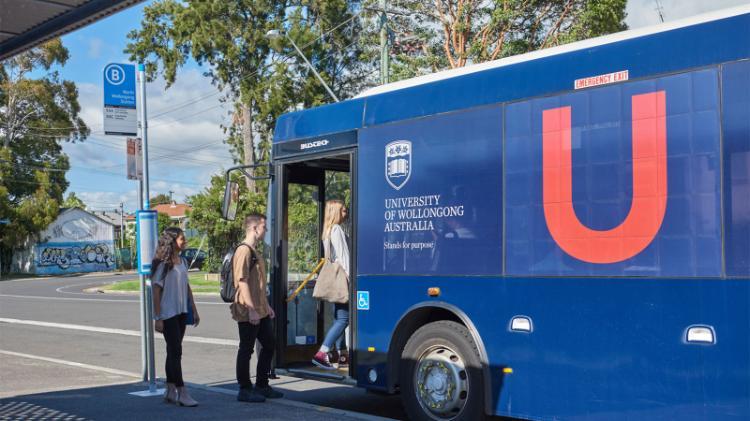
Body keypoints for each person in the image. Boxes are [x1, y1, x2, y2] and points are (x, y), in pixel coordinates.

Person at [231, 213, 284, 402]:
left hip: (260, 309)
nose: (266, 230)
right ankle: (244, 389)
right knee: (246, 349)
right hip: (248, 310)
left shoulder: (254, 251)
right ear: (254, 228)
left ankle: (262, 385)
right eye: (264, 227)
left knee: (269, 345)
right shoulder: (243, 251)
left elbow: (258, 283)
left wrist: (266, 306)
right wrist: (252, 309)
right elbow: (242, 281)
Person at [152, 227, 200, 407]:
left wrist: (194, 309)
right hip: (168, 313)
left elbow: (186, 286)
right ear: (173, 241)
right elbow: (156, 291)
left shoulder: (183, 261)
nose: (185, 241)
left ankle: (170, 389)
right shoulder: (163, 264)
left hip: (181, 312)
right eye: (182, 238)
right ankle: (182, 392)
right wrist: (157, 317)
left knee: (172, 351)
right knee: (176, 352)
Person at [312, 200, 350, 370]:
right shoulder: (336, 229)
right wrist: (351, 279)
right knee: (344, 319)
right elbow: (344, 258)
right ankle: (322, 353)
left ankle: (343, 355)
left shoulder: (327, 231)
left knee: (339, 318)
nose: (346, 213)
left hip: (334, 280)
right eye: (343, 211)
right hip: (342, 279)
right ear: (335, 212)